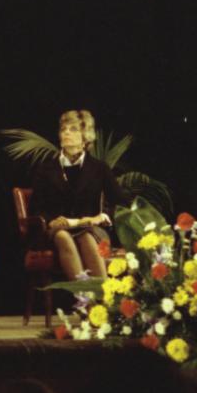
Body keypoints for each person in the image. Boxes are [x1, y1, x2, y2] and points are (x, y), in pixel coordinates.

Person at [29, 109, 128, 279]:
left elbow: (122, 205)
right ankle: (86, 301)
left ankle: (100, 300)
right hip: (57, 231)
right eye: (63, 129)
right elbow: (36, 208)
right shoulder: (45, 169)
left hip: (91, 228)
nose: (66, 132)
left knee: (87, 237)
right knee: (63, 237)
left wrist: (101, 216)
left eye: (73, 129)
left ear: (85, 137)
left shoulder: (99, 168)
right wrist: (51, 221)